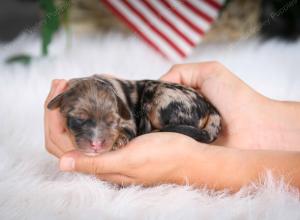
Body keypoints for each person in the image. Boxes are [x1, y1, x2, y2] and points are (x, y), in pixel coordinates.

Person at [44, 61, 300, 191]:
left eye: (110, 122)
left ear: (119, 111)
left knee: (158, 103)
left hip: (187, 108)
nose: (96, 139)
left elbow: (128, 126)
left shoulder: (125, 106)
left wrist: (199, 162)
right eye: (80, 120)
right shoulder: (105, 97)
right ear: (60, 104)